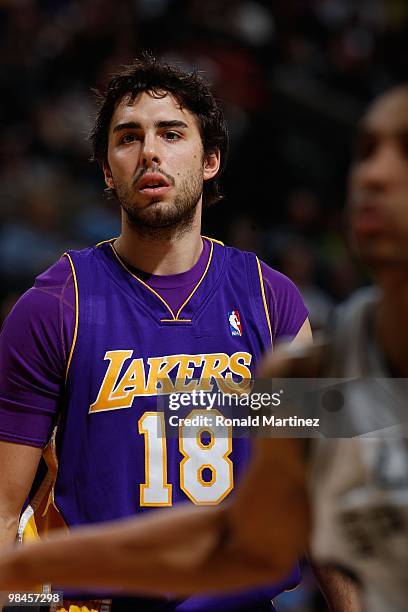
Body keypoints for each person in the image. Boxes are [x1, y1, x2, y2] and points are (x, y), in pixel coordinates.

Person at [1, 83, 406, 612]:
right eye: (128, 138)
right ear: (106, 170)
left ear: (210, 159)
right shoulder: (55, 306)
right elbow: (6, 511)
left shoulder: (270, 298)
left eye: (171, 133)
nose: (149, 150)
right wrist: (36, 600)